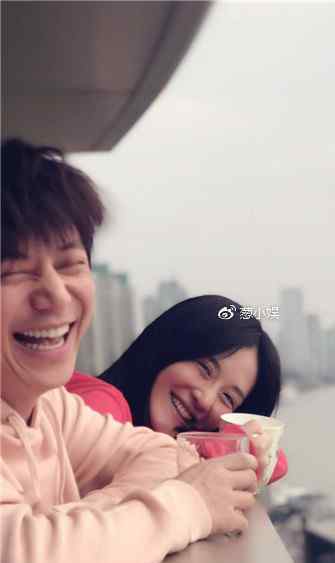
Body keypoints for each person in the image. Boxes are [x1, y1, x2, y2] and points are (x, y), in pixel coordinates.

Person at [1, 138, 258, 563]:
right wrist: (182, 505)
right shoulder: (98, 399)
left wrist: (81, 527)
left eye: (69, 265)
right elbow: (24, 551)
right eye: (11, 270)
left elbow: (167, 454)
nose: (56, 295)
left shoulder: (49, 406)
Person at [67, 294, 288, 484]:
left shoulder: (159, 444)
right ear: (168, 346)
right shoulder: (100, 407)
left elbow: (277, 461)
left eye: (227, 398)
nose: (205, 400)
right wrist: (228, 449)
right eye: (204, 368)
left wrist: (238, 446)